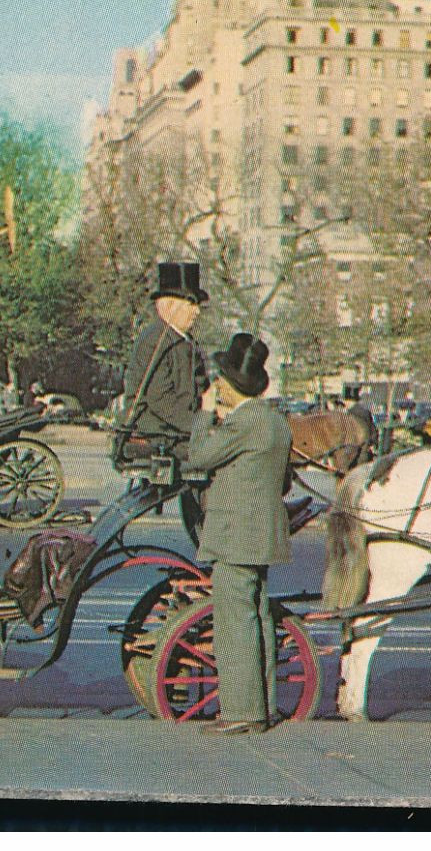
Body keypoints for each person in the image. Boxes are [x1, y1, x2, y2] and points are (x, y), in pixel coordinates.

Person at [186, 332, 291, 735]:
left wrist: (204, 414)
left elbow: (199, 457)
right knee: (258, 617)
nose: (215, 388)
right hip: (261, 536)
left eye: (219, 383)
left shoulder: (244, 422)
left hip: (236, 537)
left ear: (231, 387)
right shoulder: (275, 422)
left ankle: (242, 712)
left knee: (234, 622)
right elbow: (282, 483)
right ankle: (262, 706)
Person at [123, 262, 210, 456]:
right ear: (168, 305)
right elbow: (161, 401)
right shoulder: (155, 340)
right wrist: (199, 427)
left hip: (177, 429)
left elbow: (202, 390)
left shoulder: (186, 342)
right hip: (158, 433)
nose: (197, 311)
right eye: (192, 304)